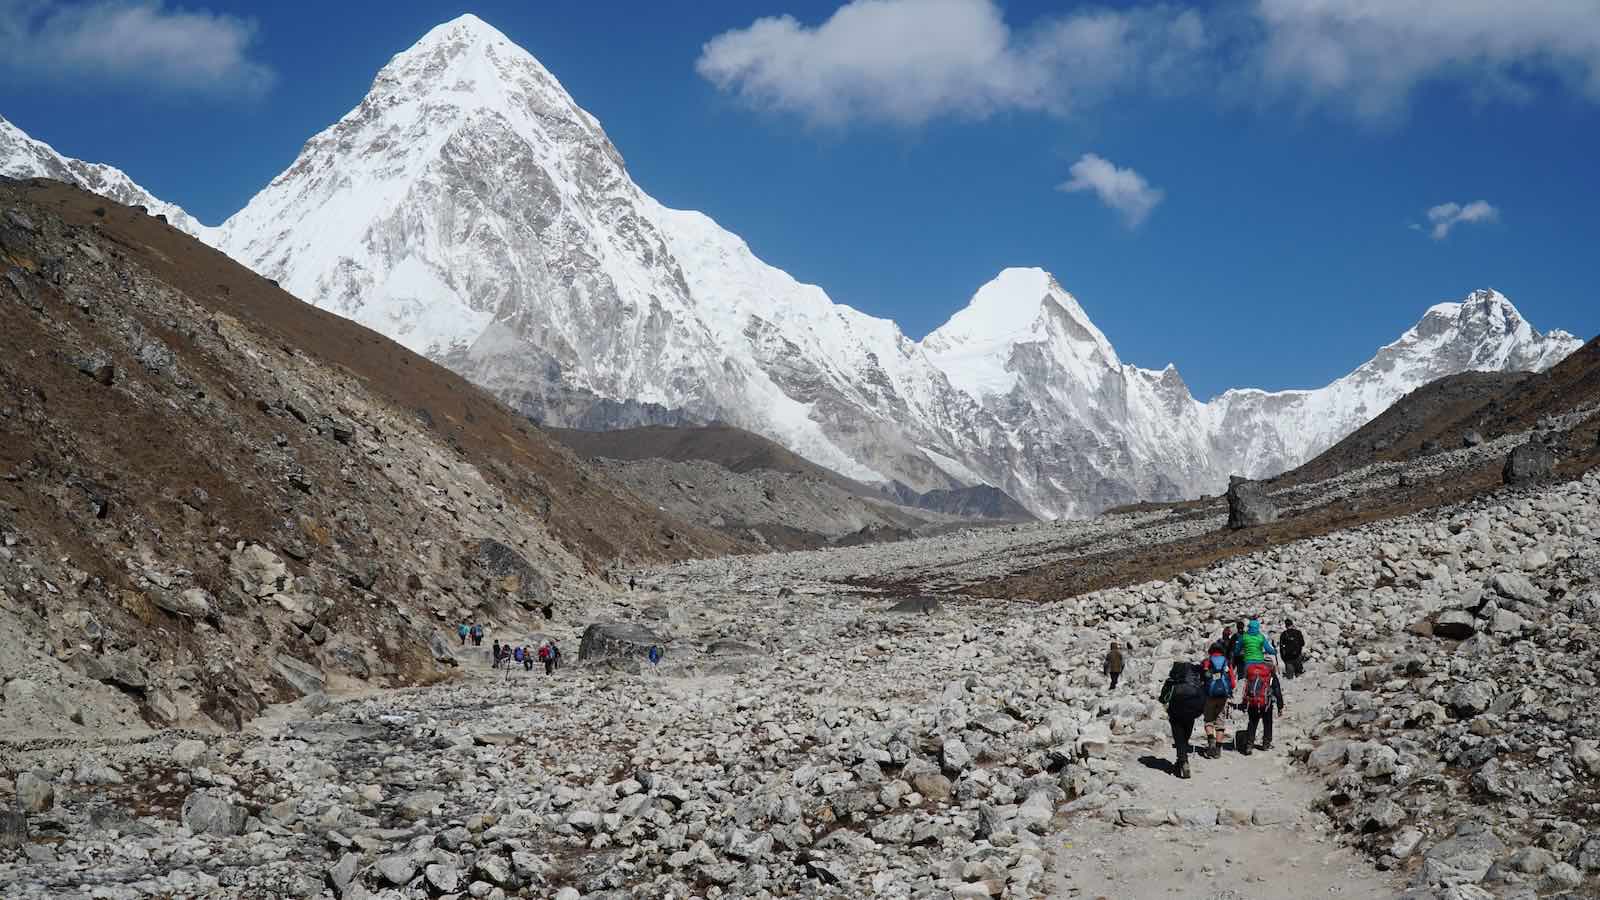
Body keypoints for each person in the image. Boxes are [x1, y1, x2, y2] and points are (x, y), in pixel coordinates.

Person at [1160, 660, 1207, 778]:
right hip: (1191, 713)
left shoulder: (1171, 682)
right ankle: (1181, 760)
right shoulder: (1194, 682)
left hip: (1175, 713)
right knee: (1185, 737)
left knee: (1179, 738)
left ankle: (1183, 761)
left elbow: (1163, 699)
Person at [1242, 660, 1287, 753]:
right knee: (1267, 723)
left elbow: (1247, 688)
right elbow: (1277, 691)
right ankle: (1266, 744)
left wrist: (1244, 703)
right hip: (1266, 704)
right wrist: (1280, 706)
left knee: (1252, 723)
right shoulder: (1271, 676)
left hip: (1253, 703)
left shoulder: (1253, 673)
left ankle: (1249, 745)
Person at [1201, 641, 1236, 759]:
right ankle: (1218, 749)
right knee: (1220, 722)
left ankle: (1211, 741)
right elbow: (1233, 683)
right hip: (1223, 696)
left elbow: (1202, 679)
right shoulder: (1226, 662)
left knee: (1208, 720)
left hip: (1209, 696)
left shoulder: (1207, 662)